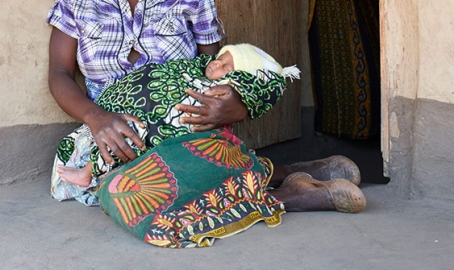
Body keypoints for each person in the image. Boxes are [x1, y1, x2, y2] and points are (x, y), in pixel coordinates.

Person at [47, 0, 366, 246]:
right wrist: (96, 118)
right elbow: (59, 73)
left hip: (185, 130)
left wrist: (233, 105)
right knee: (131, 187)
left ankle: (280, 180)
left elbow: (213, 68)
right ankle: (286, 188)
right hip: (117, 135)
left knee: (178, 167)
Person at [51, 44, 301, 200]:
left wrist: (238, 103)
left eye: (226, 66)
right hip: (117, 110)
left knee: (134, 134)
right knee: (123, 132)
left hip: (162, 127)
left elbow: (258, 86)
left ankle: (90, 173)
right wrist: (96, 115)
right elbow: (58, 73)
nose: (216, 62)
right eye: (220, 58)